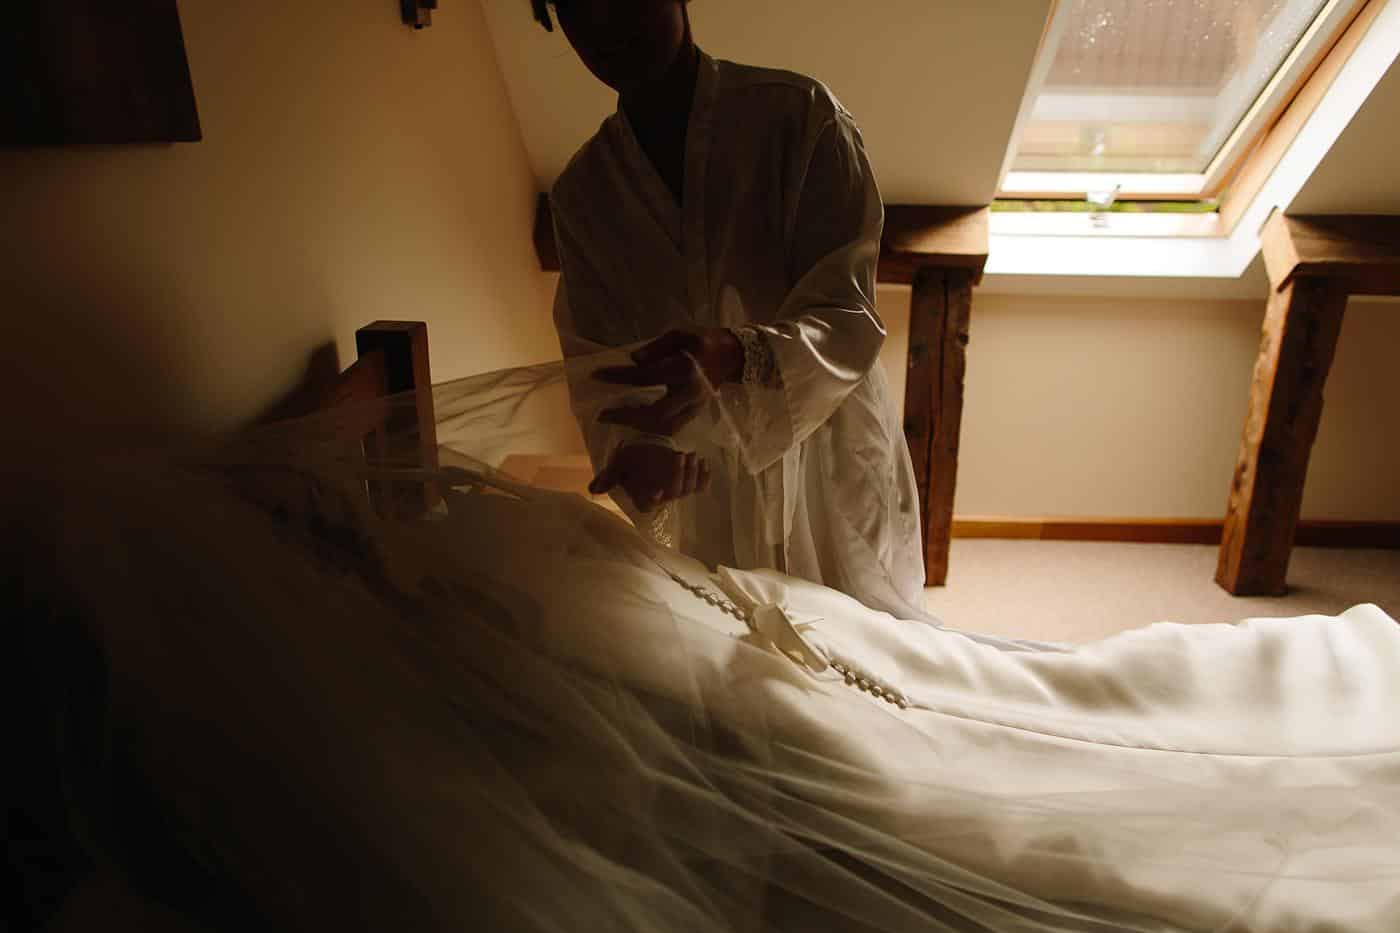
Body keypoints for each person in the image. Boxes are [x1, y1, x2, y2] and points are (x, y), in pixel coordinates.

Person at [537, 0, 926, 619]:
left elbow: (848, 315)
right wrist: (635, 448)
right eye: (581, 7)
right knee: (738, 660)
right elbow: (597, 362)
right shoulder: (585, 195)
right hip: (702, 474)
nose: (608, 23)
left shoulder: (799, 117)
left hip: (824, 449)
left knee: (862, 645)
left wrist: (736, 354)